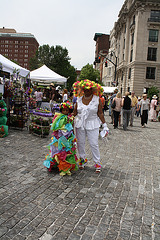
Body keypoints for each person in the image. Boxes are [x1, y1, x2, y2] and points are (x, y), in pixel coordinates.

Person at [73, 79, 109, 173]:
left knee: (94, 144)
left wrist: (105, 125)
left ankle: (97, 162)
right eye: (84, 89)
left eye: (88, 89)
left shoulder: (97, 99)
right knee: (80, 143)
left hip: (93, 123)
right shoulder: (79, 99)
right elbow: (74, 112)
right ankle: (82, 160)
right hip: (80, 124)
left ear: (92, 90)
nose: (86, 91)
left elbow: (100, 113)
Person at [43, 102, 78, 176]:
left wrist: (73, 135)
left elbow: (72, 126)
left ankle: (65, 166)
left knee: (66, 151)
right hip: (59, 136)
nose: (65, 112)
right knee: (58, 150)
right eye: (64, 110)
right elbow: (55, 126)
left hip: (67, 137)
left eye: (67, 110)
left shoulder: (70, 117)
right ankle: (56, 163)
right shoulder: (58, 117)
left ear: (69, 111)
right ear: (61, 110)